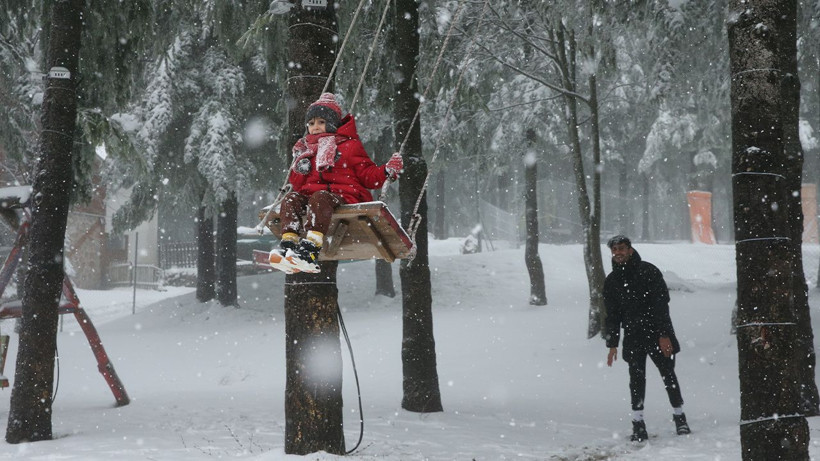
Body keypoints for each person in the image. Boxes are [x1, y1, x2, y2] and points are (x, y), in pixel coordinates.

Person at [268, 93, 403, 274]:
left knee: (320, 197)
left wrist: (386, 170)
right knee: (291, 198)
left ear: (331, 123)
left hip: (344, 196)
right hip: (314, 198)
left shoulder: (349, 146)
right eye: (311, 123)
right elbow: (298, 185)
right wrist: (299, 169)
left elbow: (367, 176)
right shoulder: (305, 150)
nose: (315, 127)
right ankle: (288, 244)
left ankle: (310, 249)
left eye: (321, 122)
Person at [603, 234, 690, 442]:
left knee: (668, 374)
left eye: (622, 248)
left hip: (657, 332)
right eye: (614, 250)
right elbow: (612, 314)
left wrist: (663, 335)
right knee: (636, 379)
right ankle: (638, 424)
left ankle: (680, 418)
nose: (618, 253)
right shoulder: (612, 281)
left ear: (630, 250)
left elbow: (661, 305)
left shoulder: (648, 271)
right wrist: (613, 344)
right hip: (633, 336)